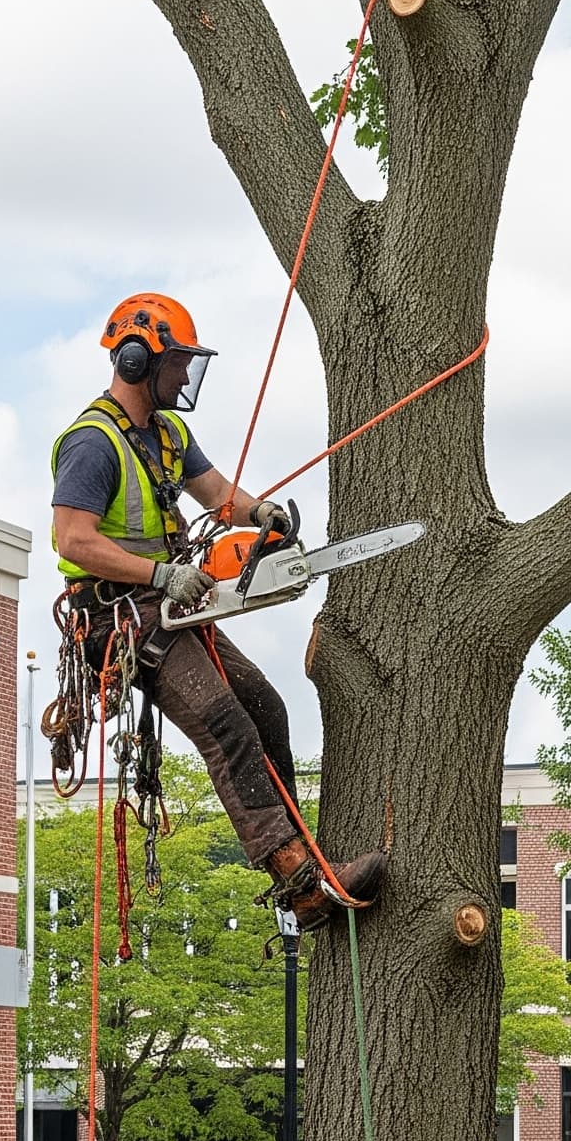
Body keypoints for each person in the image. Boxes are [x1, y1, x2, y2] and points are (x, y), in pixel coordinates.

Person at [50, 292, 385, 929]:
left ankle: (305, 852)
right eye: (175, 364)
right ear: (133, 359)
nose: (183, 377)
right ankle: (299, 883)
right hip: (118, 617)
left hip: (170, 606)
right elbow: (75, 539)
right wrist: (159, 573)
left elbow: (217, 495)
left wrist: (260, 514)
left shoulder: (168, 433)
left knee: (265, 706)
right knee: (224, 721)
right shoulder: (91, 444)